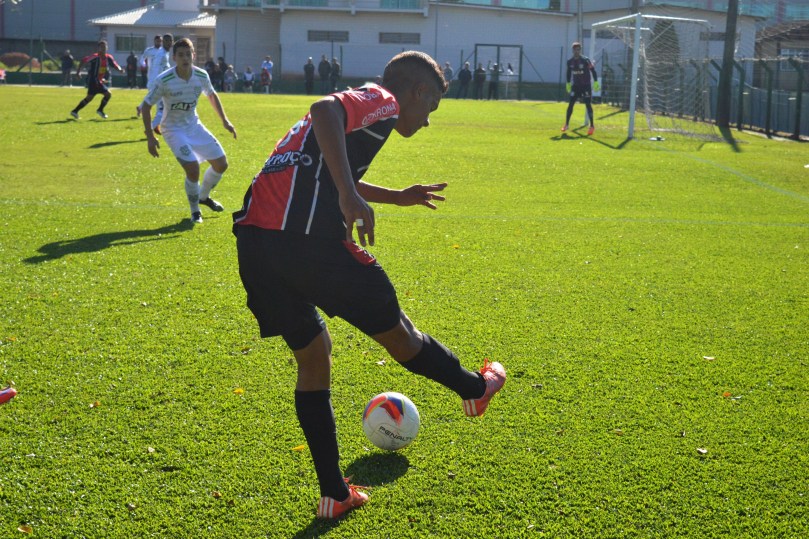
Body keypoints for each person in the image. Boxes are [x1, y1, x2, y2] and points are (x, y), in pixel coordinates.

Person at [231, 50, 506, 520]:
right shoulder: (383, 98)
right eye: (431, 107)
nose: (426, 121)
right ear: (417, 91)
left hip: (257, 244)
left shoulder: (360, 122)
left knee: (313, 358)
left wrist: (389, 195)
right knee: (399, 334)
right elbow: (325, 111)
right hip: (305, 240)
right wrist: (348, 194)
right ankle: (474, 389)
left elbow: (320, 166)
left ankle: (334, 495)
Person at [141, 38, 237, 224]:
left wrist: (225, 121)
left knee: (221, 164)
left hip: (194, 126)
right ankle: (195, 212)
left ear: (193, 55)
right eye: (181, 55)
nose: (185, 58)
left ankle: (203, 196)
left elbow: (211, 94)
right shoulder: (165, 80)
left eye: (188, 54)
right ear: (174, 58)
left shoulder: (201, 75)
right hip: (173, 129)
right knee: (193, 169)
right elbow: (146, 106)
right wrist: (150, 137)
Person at [69, 41, 124, 120]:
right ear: (98, 48)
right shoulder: (95, 57)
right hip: (94, 80)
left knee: (89, 98)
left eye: (104, 47)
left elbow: (115, 65)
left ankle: (75, 111)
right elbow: (83, 60)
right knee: (108, 94)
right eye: (101, 47)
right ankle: (100, 110)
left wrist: (120, 69)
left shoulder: (108, 57)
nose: (103, 49)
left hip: (98, 80)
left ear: (107, 48)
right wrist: (78, 72)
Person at [562, 41, 599, 136]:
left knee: (587, 104)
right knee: (570, 104)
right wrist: (568, 83)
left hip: (586, 86)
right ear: (573, 50)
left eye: (578, 49)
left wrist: (595, 81)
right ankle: (566, 124)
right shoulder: (569, 62)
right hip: (576, 86)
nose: (576, 51)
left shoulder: (585, 60)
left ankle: (592, 126)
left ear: (580, 50)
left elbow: (593, 71)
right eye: (575, 49)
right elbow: (568, 73)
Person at [137, 34, 173, 130]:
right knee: (162, 110)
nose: (169, 43)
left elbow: (163, 68)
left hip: (158, 84)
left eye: (170, 41)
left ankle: (141, 109)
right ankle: (151, 129)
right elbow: (156, 69)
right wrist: (156, 84)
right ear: (163, 42)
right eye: (166, 41)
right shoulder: (160, 54)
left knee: (158, 106)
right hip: (157, 84)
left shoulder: (164, 52)